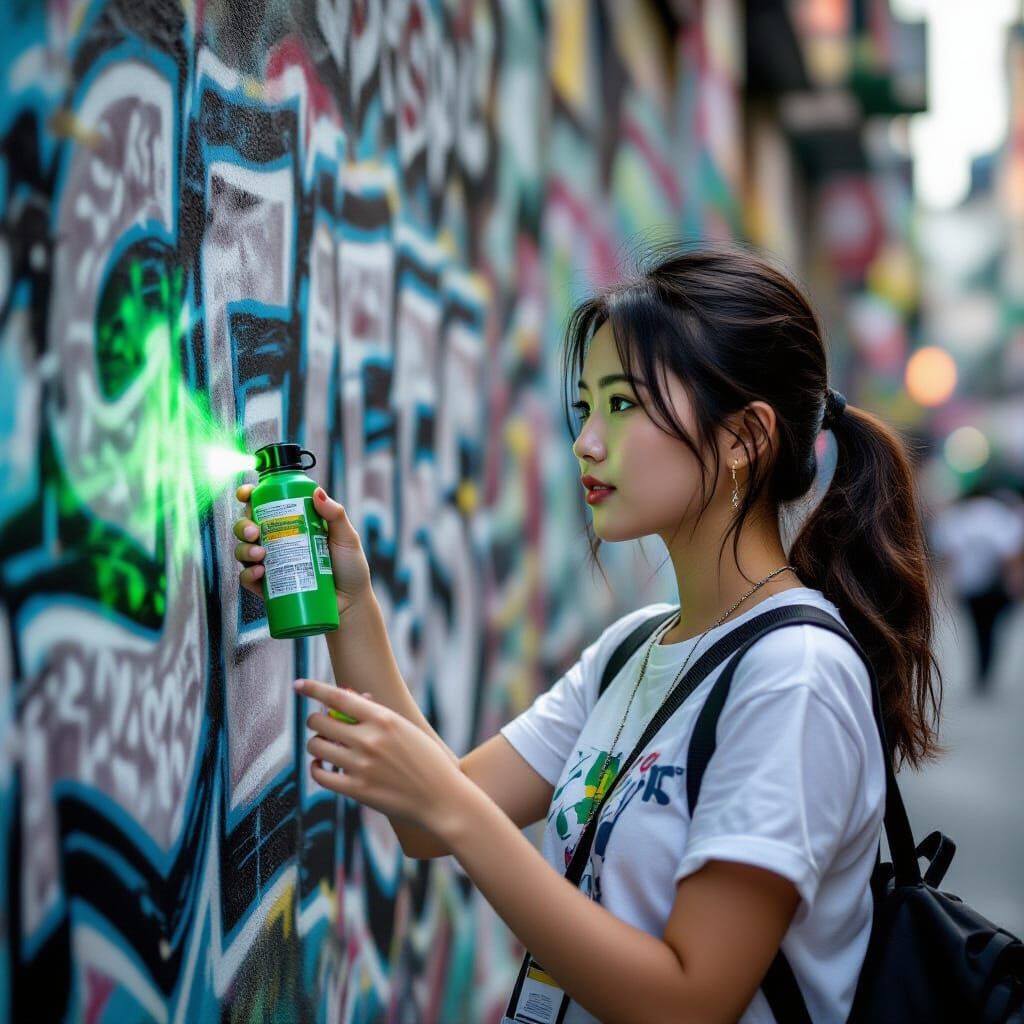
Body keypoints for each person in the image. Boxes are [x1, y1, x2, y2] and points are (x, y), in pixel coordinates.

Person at [232, 246, 942, 1024]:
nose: (587, 442)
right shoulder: (633, 650)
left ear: (745, 437)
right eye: (586, 406)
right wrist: (350, 603)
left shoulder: (796, 674)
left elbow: (691, 1002)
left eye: (624, 404)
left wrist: (450, 805)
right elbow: (426, 818)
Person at [930, 485, 1024, 695]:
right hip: (995, 587)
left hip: (969, 585)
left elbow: (949, 556)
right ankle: (986, 668)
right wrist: (1015, 581)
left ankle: (980, 669)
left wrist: (948, 587)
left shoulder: (959, 517)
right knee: (991, 629)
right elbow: (1010, 555)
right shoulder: (999, 515)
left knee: (977, 629)